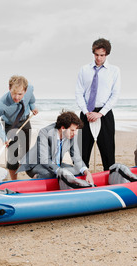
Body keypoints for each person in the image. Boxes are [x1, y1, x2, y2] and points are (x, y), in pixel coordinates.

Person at [75, 37, 121, 171]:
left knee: (108, 152)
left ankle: (110, 179)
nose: (99, 58)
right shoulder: (84, 70)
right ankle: (82, 180)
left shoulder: (114, 71)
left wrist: (100, 113)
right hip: (86, 113)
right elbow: (79, 93)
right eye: (96, 55)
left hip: (104, 114)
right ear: (93, 53)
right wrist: (86, 112)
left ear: (106, 54)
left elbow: (115, 95)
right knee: (82, 153)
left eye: (102, 55)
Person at [17, 111, 94, 185]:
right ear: (63, 128)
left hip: (56, 163)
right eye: (72, 130)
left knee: (78, 170)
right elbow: (44, 159)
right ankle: (37, 178)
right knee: (50, 174)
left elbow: (77, 158)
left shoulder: (72, 135)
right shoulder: (45, 132)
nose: (75, 133)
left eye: (76, 130)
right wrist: (59, 171)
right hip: (36, 164)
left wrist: (87, 172)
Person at [0, 75, 38, 180]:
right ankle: (13, 181)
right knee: (13, 155)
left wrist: (33, 108)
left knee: (25, 153)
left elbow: (31, 100)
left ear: (25, 90)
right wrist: (4, 138)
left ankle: (26, 169)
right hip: (11, 125)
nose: (16, 97)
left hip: (25, 121)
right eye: (14, 93)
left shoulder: (29, 89)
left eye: (20, 94)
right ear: (9, 89)